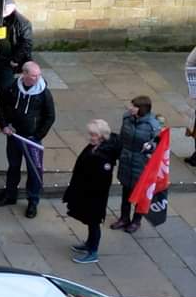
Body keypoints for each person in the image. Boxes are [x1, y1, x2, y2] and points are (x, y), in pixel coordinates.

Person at [0, 61, 55, 218]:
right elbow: (1, 106)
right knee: (13, 166)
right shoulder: (13, 88)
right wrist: (4, 125)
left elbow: (50, 116)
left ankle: (33, 201)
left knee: (34, 170)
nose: (37, 78)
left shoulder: (44, 93)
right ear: (24, 74)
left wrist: (38, 135)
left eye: (38, 75)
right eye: (34, 75)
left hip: (32, 138)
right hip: (14, 135)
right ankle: (10, 195)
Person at [64, 119, 120, 264]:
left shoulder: (103, 157)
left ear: (101, 136)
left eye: (93, 135)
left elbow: (101, 180)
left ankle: (93, 252)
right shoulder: (96, 147)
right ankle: (89, 244)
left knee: (94, 223)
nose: (90, 137)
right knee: (90, 222)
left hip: (94, 196)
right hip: (87, 192)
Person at [111, 95, 162, 234]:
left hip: (142, 163)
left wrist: (151, 146)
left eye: (134, 106)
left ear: (142, 109)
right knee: (126, 191)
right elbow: (122, 137)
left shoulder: (152, 125)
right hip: (126, 159)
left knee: (140, 194)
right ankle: (124, 218)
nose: (130, 108)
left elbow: (158, 144)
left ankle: (136, 220)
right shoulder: (127, 118)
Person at [0, 0, 33, 94]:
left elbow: (26, 43)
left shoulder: (22, 23)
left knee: (5, 89)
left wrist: (15, 59)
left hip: (8, 61)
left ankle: (4, 108)